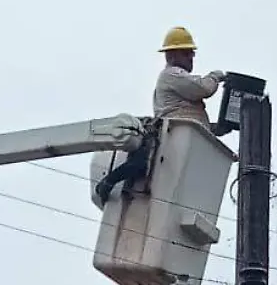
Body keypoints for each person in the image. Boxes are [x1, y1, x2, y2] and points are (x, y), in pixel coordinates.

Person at [95, 26, 223, 206]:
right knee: (140, 164)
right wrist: (215, 76)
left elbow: (192, 117)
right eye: (186, 53)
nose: (191, 57)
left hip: (181, 137)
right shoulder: (172, 74)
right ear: (171, 56)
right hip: (171, 136)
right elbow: (203, 88)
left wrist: (216, 128)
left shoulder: (177, 78)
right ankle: (109, 181)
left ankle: (111, 181)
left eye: (191, 53)